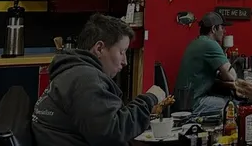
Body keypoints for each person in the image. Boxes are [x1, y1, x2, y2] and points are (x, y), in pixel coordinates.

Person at [31, 13, 166, 146]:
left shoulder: (72, 73)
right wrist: (149, 99)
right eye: (121, 52)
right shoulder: (85, 79)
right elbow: (113, 133)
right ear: (99, 48)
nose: (125, 61)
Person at [174, 12, 236, 116]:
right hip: (193, 104)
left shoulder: (196, 42)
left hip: (183, 101)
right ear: (213, 29)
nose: (224, 31)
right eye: (222, 28)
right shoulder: (210, 44)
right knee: (232, 105)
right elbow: (232, 77)